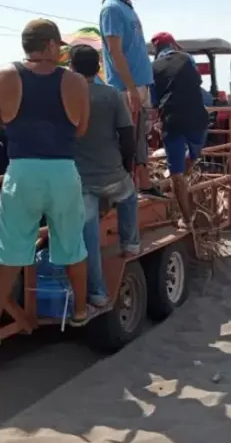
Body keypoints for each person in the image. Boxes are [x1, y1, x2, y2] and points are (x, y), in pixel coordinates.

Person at [0, 19, 91, 347]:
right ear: (52, 45)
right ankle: (81, 310)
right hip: (62, 171)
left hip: (22, 171)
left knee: (9, 252)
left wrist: (11, 120)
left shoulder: (0, 76)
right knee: (72, 246)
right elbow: (81, 129)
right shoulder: (76, 82)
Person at [69, 44, 140, 307]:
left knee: (90, 236)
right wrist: (127, 165)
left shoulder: (65, 95)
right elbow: (127, 135)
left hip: (80, 179)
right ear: (98, 66)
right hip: (111, 174)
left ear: (72, 68)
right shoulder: (111, 95)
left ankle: (97, 293)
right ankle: (130, 243)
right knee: (130, 195)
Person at [99, 0, 163, 198]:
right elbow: (115, 52)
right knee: (127, 137)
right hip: (127, 86)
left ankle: (143, 182)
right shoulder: (112, 9)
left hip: (135, 84)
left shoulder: (123, 7)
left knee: (137, 137)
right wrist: (130, 88)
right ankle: (127, 187)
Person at [151, 33, 209, 229]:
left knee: (176, 174)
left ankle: (186, 219)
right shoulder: (187, 58)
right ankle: (186, 168)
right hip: (198, 119)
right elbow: (197, 83)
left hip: (172, 121)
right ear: (174, 44)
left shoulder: (153, 68)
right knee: (194, 153)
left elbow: (153, 100)